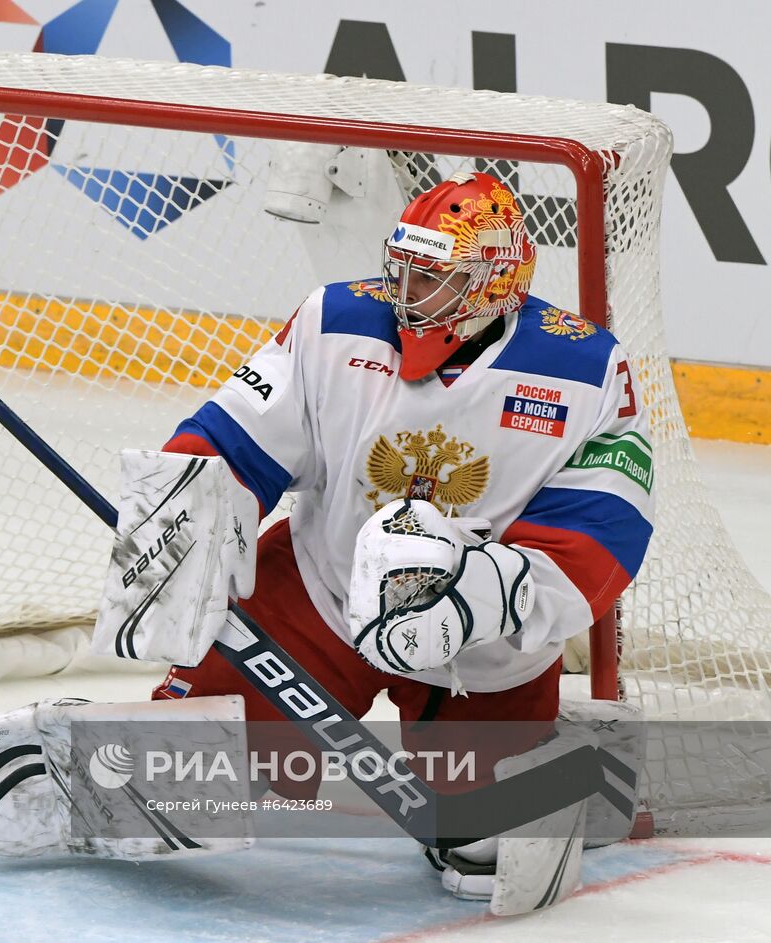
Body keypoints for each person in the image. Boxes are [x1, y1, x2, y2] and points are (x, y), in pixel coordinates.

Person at [117, 170, 654, 897]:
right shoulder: (333, 319)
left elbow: (601, 531)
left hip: (480, 649)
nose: (404, 290)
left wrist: (475, 599)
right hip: (321, 592)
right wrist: (182, 512)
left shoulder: (586, 368)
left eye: (433, 277)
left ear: (492, 285)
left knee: (486, 843)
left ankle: (547, 766)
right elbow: (237, 438)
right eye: (401, 266)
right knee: (177, 771)